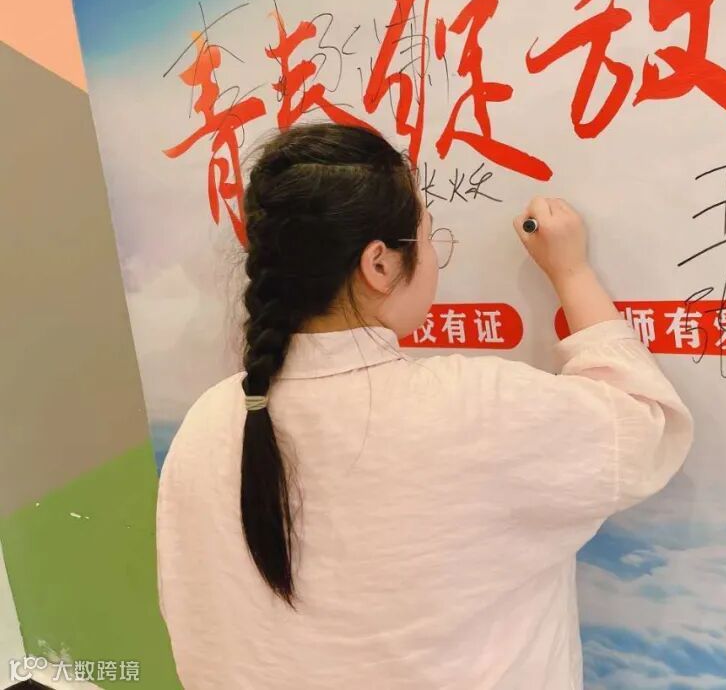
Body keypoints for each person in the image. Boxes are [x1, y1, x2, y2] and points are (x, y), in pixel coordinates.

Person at [156, 122, 693, 689]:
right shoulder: (471, 407)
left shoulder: (210, 418)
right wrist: (572, 272)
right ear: (379, 264)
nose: (435, 256)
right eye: (429, 236)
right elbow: (645, 428)